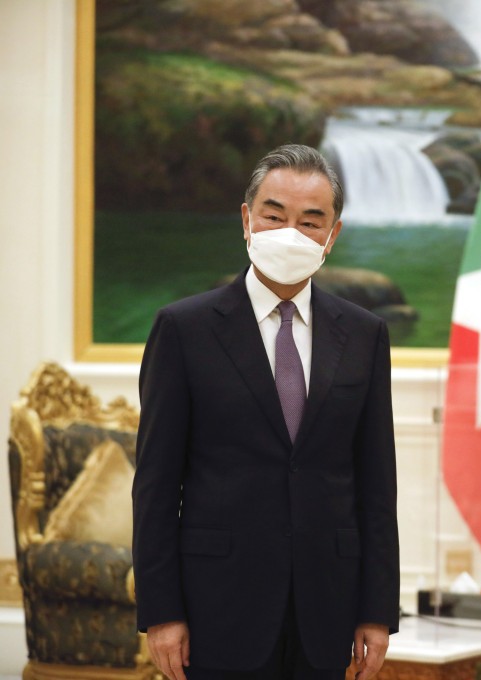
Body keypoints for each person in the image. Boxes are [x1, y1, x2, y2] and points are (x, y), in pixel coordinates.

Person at [132, 144, 399, 680]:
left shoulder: (365, 335)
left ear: (333, 234)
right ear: (247, 219)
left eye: (309, 221)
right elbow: (156, 484)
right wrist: (161, 613)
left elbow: (376, 484)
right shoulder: (184, 330)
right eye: (274, 216)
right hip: (216, 609)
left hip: (327, 610)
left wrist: (377, 611)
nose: (289, 233)